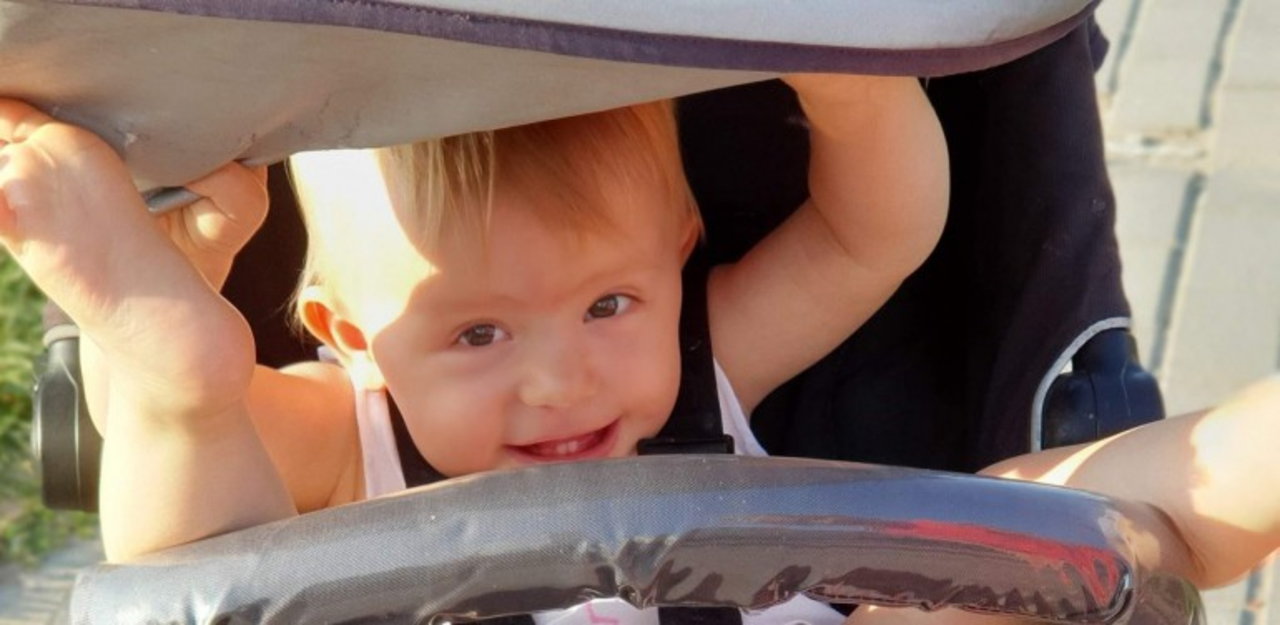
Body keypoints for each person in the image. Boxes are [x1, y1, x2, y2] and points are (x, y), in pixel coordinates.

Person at [0, 68, 1274, 623]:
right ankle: (170, 362)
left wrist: (844, 79)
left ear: (676, 259)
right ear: (349, 334)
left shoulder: (702, 369)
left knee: (1035, 533)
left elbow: (876, 234)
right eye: (478, 332)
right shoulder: (352, 431)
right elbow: (187, 540)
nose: (560, 379)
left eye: (608, 306)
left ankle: (1249, 451)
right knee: (210, 560)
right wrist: (189, 364)